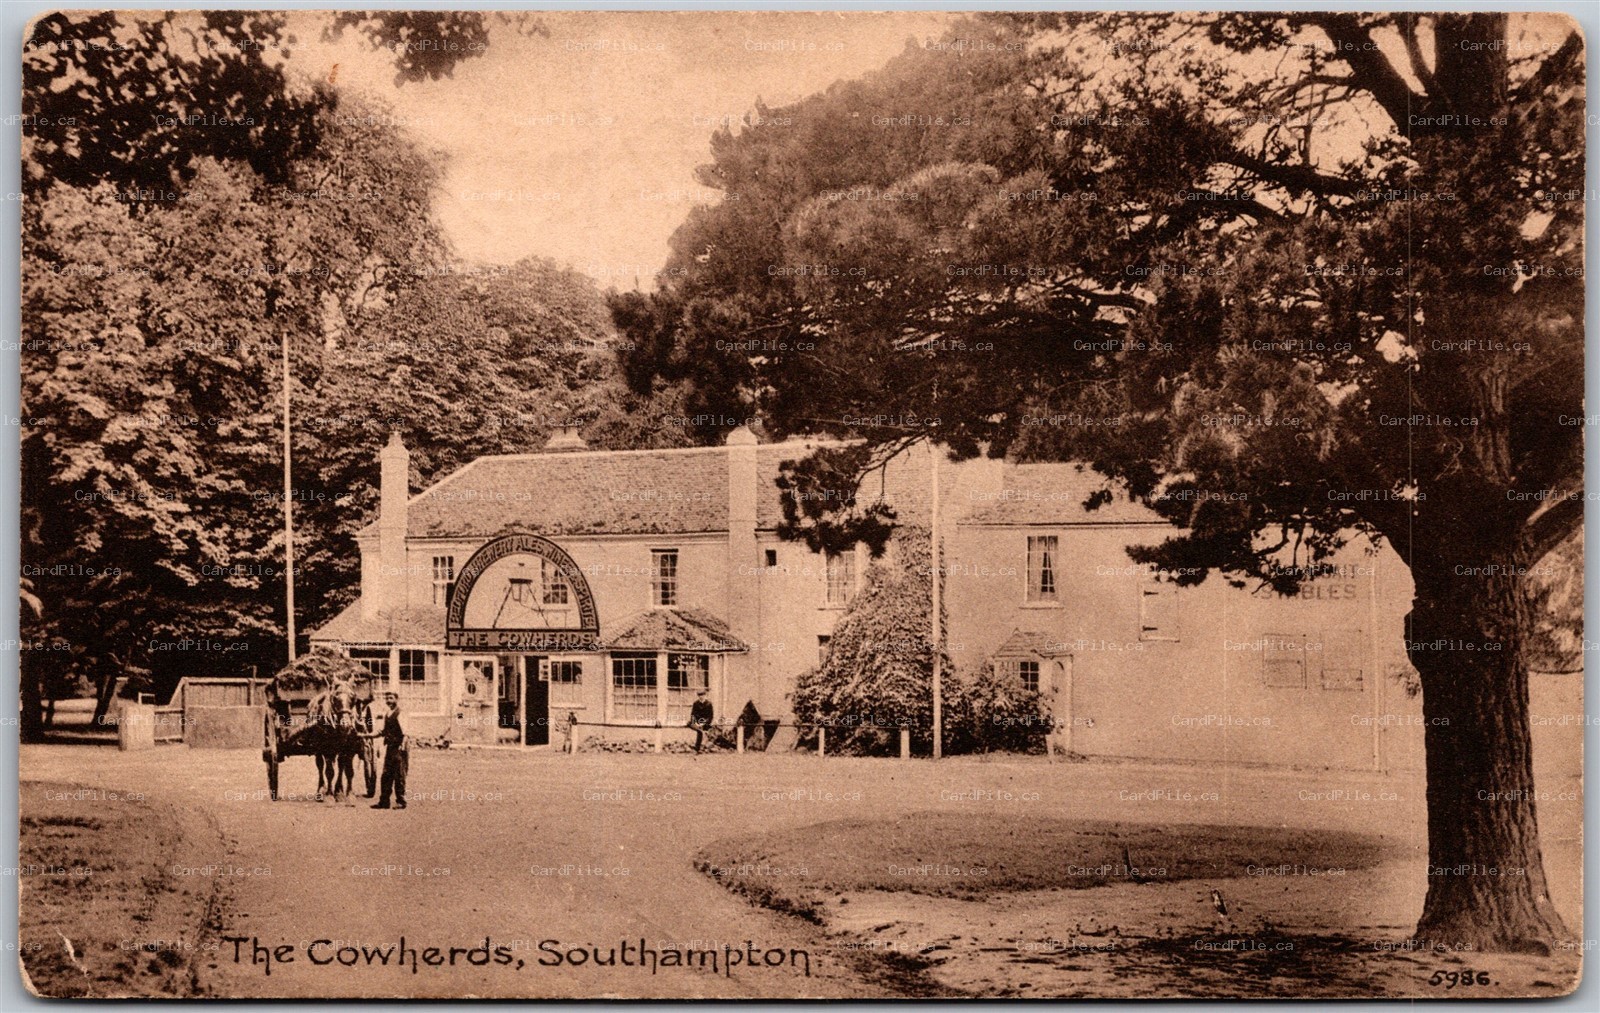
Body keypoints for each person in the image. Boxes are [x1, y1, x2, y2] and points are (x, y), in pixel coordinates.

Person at [364, 691, 408, 809]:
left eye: (391, 698)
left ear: (396, 699)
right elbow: (382, 732)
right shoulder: (387, 713)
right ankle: (384, 802)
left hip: (399, 747)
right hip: (390, 747)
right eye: (387, 698)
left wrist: (402, 746)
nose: (388, 701)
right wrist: (367, 735)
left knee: (399, 775)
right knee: (386, 775)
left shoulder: (400, 713)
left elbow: (406, 734)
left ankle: (401, 801)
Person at [688, 689, 714, 754]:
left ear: (705, 695)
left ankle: (699, 748)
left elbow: (710, 716)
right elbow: (693, 714)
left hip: (705, 723)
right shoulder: (696, 703)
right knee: (698, 730)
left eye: (702, 695)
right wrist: (696, 723)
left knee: (702, 731)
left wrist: (704, 723)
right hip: (696, 722)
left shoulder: (709, 704)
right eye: (699, 695)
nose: (701, 697)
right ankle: (698, 748)